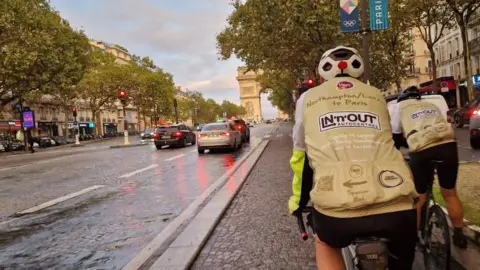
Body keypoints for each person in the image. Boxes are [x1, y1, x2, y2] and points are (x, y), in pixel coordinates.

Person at [289, 46, 419, 270]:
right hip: (396, 204)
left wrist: (298, 203)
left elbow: (301, 156)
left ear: (321, 75)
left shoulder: (307, 99)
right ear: (360, 72)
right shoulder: (377, 95)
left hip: (336, 210)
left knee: (325, 242)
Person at [391, 86, 467, 249]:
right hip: (448, 144)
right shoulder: (432, 106)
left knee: (419, 196)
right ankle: (459, 235)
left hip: (422, 148)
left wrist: (396, 152)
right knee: (450, 193)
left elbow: (396, 134)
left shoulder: (400, 106)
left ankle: (417, 237)